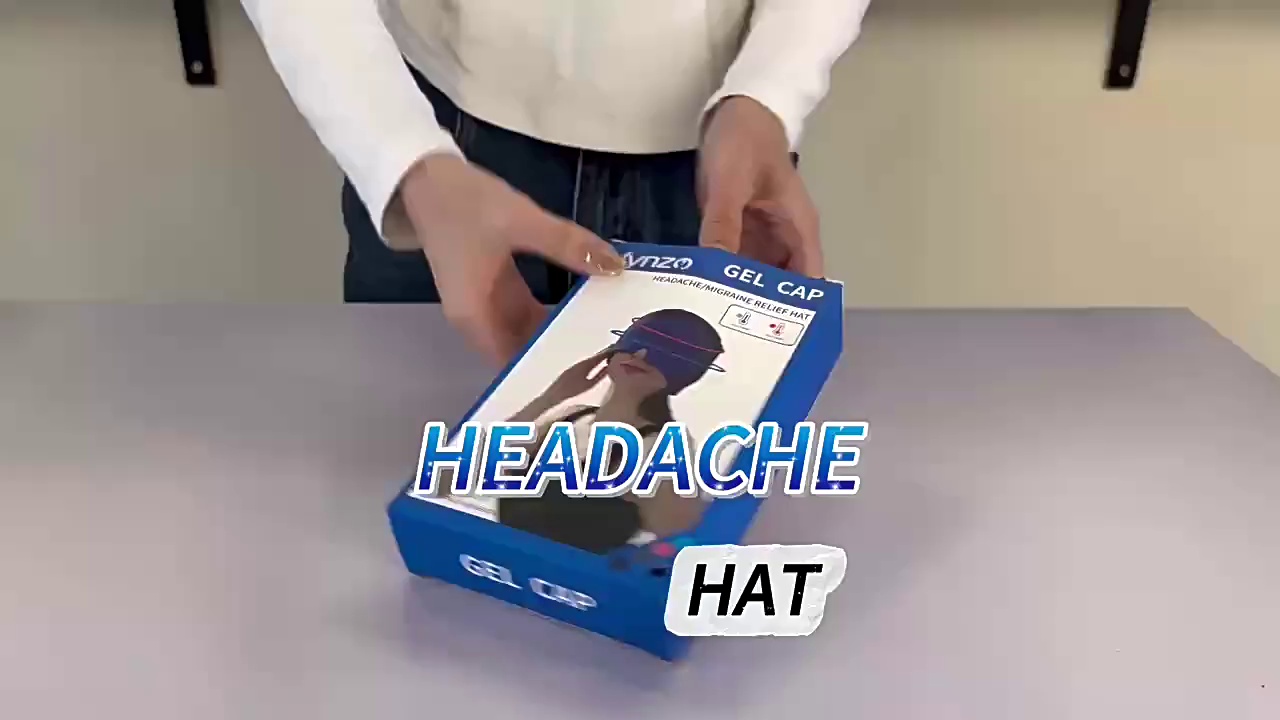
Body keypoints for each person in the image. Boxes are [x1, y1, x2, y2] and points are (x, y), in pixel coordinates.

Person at [242, 1, 871, 364]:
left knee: (693, 515)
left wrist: (772, 88)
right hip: (447, 157)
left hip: (714, 164)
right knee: (398, 484)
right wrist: (400, 154)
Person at [498, 309, 726, 551]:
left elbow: (681, 542)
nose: (640, 355)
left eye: (664, 353)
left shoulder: (662, 450)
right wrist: (552, 397)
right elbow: (478, 467)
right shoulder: (570, 417)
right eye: (635, 342)